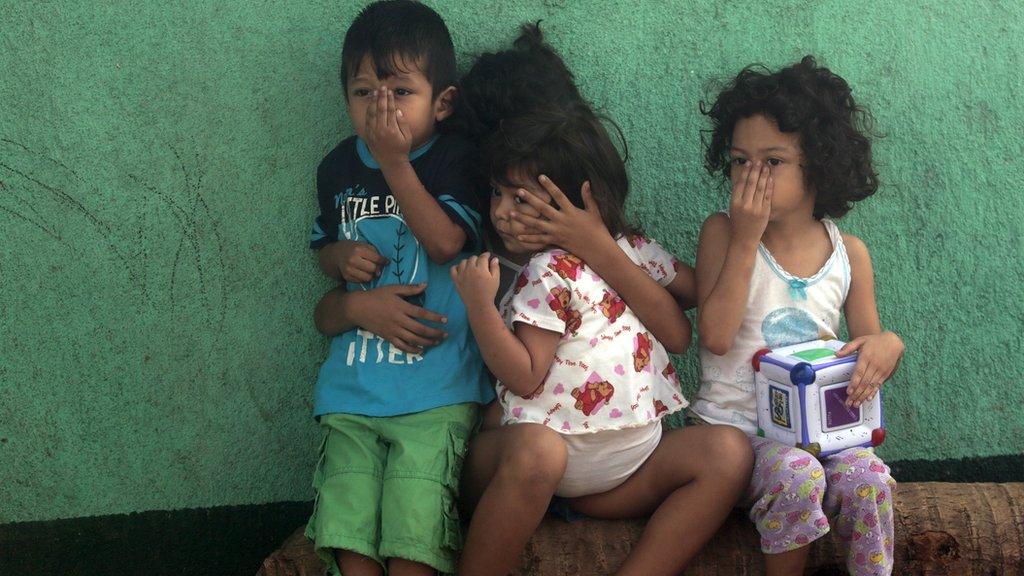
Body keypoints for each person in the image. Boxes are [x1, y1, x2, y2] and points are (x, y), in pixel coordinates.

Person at [451, 107, 753, 576]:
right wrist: (479, 309)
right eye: (497, 192)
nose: (501, 212)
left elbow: (679, 328)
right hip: (536, 468)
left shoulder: (630, 248)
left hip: (623, 478)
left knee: (730, 455)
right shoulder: (544, 272)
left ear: (579, 200)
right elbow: (525, 379)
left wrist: (599, 248)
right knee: (540, 454)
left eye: (522, 198)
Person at [691, 56, 904, 576]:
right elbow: (715, 337)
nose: (751, 176)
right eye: (740, 161)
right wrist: (745, 238)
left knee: (870, 482)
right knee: (797, 475)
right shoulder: (723, 232)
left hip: (827, 435)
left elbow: (866, 344)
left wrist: (887, 346)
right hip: (738, 438)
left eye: (772, 161)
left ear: (820, 163)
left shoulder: (848, 253)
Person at [304, 2, 493, 575]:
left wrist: (393, 162)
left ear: (443, 102)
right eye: (364, 94)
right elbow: (323, 249)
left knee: (415, 537)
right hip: (352, 391)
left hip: (434, 395)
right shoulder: (337, 167)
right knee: (348, 533)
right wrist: (339, 258)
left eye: (400, 93)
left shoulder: (457, 159)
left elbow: (443, 244)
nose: (380, 109)